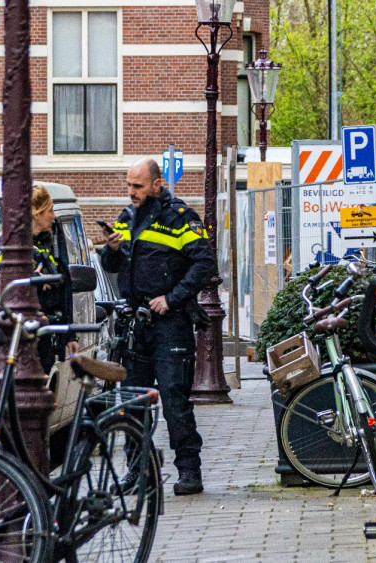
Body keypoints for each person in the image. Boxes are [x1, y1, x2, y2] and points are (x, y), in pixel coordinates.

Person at [100, 158, 216, 495]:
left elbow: (203, 262)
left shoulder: (179, 218)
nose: (131, 192)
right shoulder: (127, 217)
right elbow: (112, 265)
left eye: (137, 186)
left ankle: (189, 472)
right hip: (135, 325)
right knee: (133, 402)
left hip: (170, 325)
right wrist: (112, 249)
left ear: (157, 183)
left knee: (174, 400)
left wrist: (173, 297)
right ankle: (138, 472)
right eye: (128, 185)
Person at [0, 184, 78, 373]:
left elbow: (64, 289)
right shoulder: (2, 246)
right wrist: (33, 278)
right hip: (16, 341)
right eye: (50, 210)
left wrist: (69, 334)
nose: (53, 216)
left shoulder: (49, 245)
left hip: (44, 341)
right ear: (36, 213)